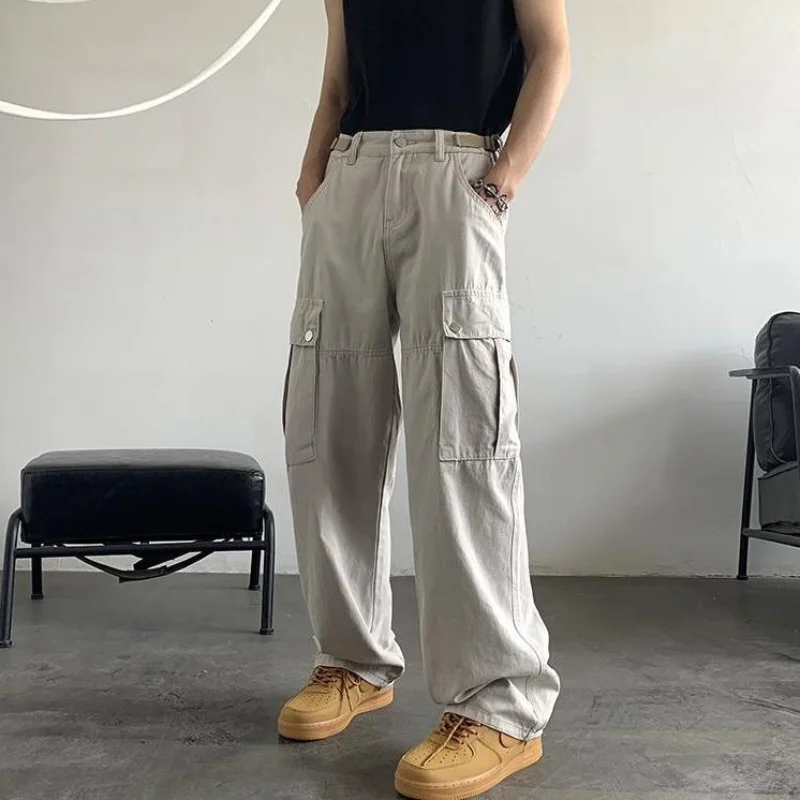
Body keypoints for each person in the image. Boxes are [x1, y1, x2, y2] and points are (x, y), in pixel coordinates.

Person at [278, 0, 571, 797]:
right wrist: (313, 180)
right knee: (326, 429)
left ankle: (499, 703)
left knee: (462, 440)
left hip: (457, 175)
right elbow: (338, 82)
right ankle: (352, 661)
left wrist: (504, 180)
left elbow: (552, 52)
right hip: (350, 178)